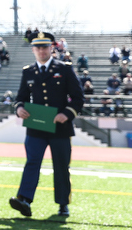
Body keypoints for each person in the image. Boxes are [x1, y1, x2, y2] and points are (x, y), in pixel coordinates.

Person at [10, 32, 84, 218]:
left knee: (61, 166)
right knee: (32, 163)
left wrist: (66, 114)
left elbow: (78, 98)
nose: (41, 51)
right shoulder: (28, 71)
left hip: (60, 128)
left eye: (45, 47)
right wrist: (19, 109)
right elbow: (20, 98)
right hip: (35, 128)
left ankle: (62, 204)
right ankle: (24, 200)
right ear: (33, 49)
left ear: (52, 48)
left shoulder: (65, 69)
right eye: (38, 47)